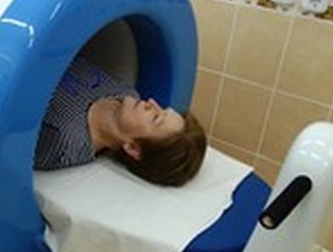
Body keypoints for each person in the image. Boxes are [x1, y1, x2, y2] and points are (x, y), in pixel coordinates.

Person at [34, 53, 207, 187]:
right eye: (161, 108)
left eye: (155, 118)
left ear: (133, 148)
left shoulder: (64, 142)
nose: (151, 102)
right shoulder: (126, 93)